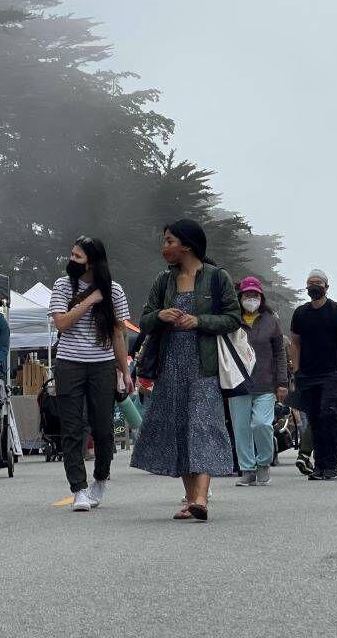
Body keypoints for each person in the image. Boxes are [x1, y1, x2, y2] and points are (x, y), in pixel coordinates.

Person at [132, 220, 241, 521]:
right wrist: (161, 315)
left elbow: (233, 318)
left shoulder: (217, 277)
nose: (164, 247)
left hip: (204, 366)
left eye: (169, 241)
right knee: (178, 429)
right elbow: (144, 320)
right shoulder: (163, 281)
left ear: (187, 245)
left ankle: (202, 499)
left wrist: (199, 321)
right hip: (170, 366)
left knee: (204, 427)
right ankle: (192, 498)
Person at [48, 236, 133, 513]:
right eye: (71, 254)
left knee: (103, 428)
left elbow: (118, 333)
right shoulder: (63, 285)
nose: (72, 260)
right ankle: (79, 489)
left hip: (102, 364)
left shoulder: (115, 291)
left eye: (78, 256)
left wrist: (125, 371)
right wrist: (90, 300)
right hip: (69, 363)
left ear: (93, 261)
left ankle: (100, 478)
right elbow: (61, 323)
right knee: (71, 429)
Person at [290, 269, 337, 481]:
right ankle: (318, 465)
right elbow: (295, 343)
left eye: (318, 283)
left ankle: (331, 464)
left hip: (332, 374)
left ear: (326, 287)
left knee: (329, 416)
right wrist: (296, 370)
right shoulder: (300, 313)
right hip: (307, 374)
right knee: (314, 419)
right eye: (310, 283)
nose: (314, 286)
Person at [232, 276, 288, 486]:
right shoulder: (231, 319)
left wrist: (281, 382)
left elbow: (280, 354)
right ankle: (247, 470)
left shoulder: (271, 320)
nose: (251, 298)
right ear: (240, 297)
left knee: (262, 424)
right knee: (241, 428)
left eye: (255, 295)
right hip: (237, 384)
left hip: (266, 384)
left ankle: (263, 462)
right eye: (247, 295)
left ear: (261, 297)